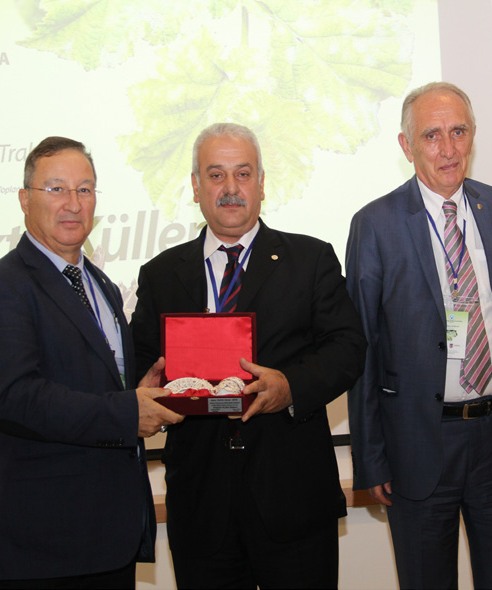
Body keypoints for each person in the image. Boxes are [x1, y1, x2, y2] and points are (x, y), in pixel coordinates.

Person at [130, 122, 366, 589]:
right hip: (201, 504)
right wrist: (145, 390)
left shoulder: (310, 259)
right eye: (215, 175)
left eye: (243, 174)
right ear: (196, 187)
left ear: (261, 184)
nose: (230, 188)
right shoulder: (160, 275)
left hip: (293, 499)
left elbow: (348, 347)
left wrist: (289, 386)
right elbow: (139, 362)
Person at [0, 137, 184, 588]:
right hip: (41, 542)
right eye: (56, 189)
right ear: (24, 199)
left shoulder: (103, 286)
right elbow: (11, 398)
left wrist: (140, 387)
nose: (73, 204)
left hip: (108, 534)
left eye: (85, 189)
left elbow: (95, 382)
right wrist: (128, 411)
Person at [345, 82, 492, 589]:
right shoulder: (375, 225)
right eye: (431, 136)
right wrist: (370, 458)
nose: (448, 149)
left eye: (458, 132)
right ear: (407, 146)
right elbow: (360, 349)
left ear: (473, 135)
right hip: (418, 444)